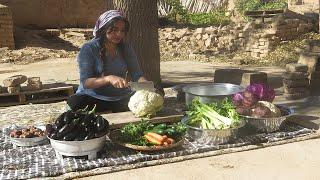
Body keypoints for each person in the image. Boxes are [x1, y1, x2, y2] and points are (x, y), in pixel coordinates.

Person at [67, 10, 148, 113]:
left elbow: (137, 74)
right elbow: (86, 83)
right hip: (93, 97)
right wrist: (108, 79)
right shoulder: (89, 48)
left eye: (122, 31)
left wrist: (145, 85)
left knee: (156, 94)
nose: (119, 34)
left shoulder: (125, 48)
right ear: (104, 29)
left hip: (120, 97)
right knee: (75, 102)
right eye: (114, 30)